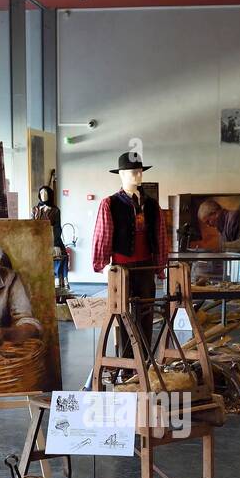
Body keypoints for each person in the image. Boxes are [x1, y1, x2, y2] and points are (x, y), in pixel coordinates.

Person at [91, 151, 170, 358]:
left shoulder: (152, 205)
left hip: (146, 267)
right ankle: (127, 363)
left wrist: (160, 267)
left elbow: (160, 236)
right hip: (122, 268)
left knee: (146, 314)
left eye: (139, 171)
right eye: (131, 172)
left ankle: (144, 359)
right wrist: (103, 265)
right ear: (121, 175)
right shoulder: (110, 204)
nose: (136, 175)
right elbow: (103, 234)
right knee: (124, 315)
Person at [33, 186, 67, 288]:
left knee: (60, 256)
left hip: (52, 238)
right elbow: (31, 225)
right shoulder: (35, 210)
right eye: (42, 193)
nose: (44, 195)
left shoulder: (55, 210)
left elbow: (57, 227)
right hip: (38, 239)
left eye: (46, 193)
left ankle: (59, 284)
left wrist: (55, 243)